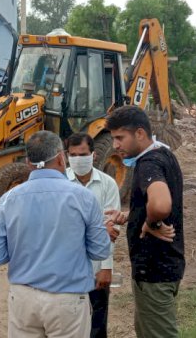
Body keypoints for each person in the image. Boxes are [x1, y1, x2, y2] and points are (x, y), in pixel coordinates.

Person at [0, 130, 111, 338]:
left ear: (28, 162)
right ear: (62, 157)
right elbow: (100, 250)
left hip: (23, 299)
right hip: (67, 300)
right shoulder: (83, 197)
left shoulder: (8, 199)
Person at [103, 105, 185, 338]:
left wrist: (152, 224)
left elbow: (160, 205)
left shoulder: (148, 163)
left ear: (139, 133)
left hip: (154, 270)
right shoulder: (165, 154)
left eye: (120, 138)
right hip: (167, 265)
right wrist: (135, 215)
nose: (116, 145)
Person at [64, 133, 120, 338]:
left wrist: (106, 267)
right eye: (73, 155)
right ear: (66, 155)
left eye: (83, 154)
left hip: (96, 268)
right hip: (67, 270)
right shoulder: (61, 183)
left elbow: (111, 231)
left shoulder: (107, 184)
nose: (78, 159)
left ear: (94, 155)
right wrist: (95, 230)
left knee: (97, 324)